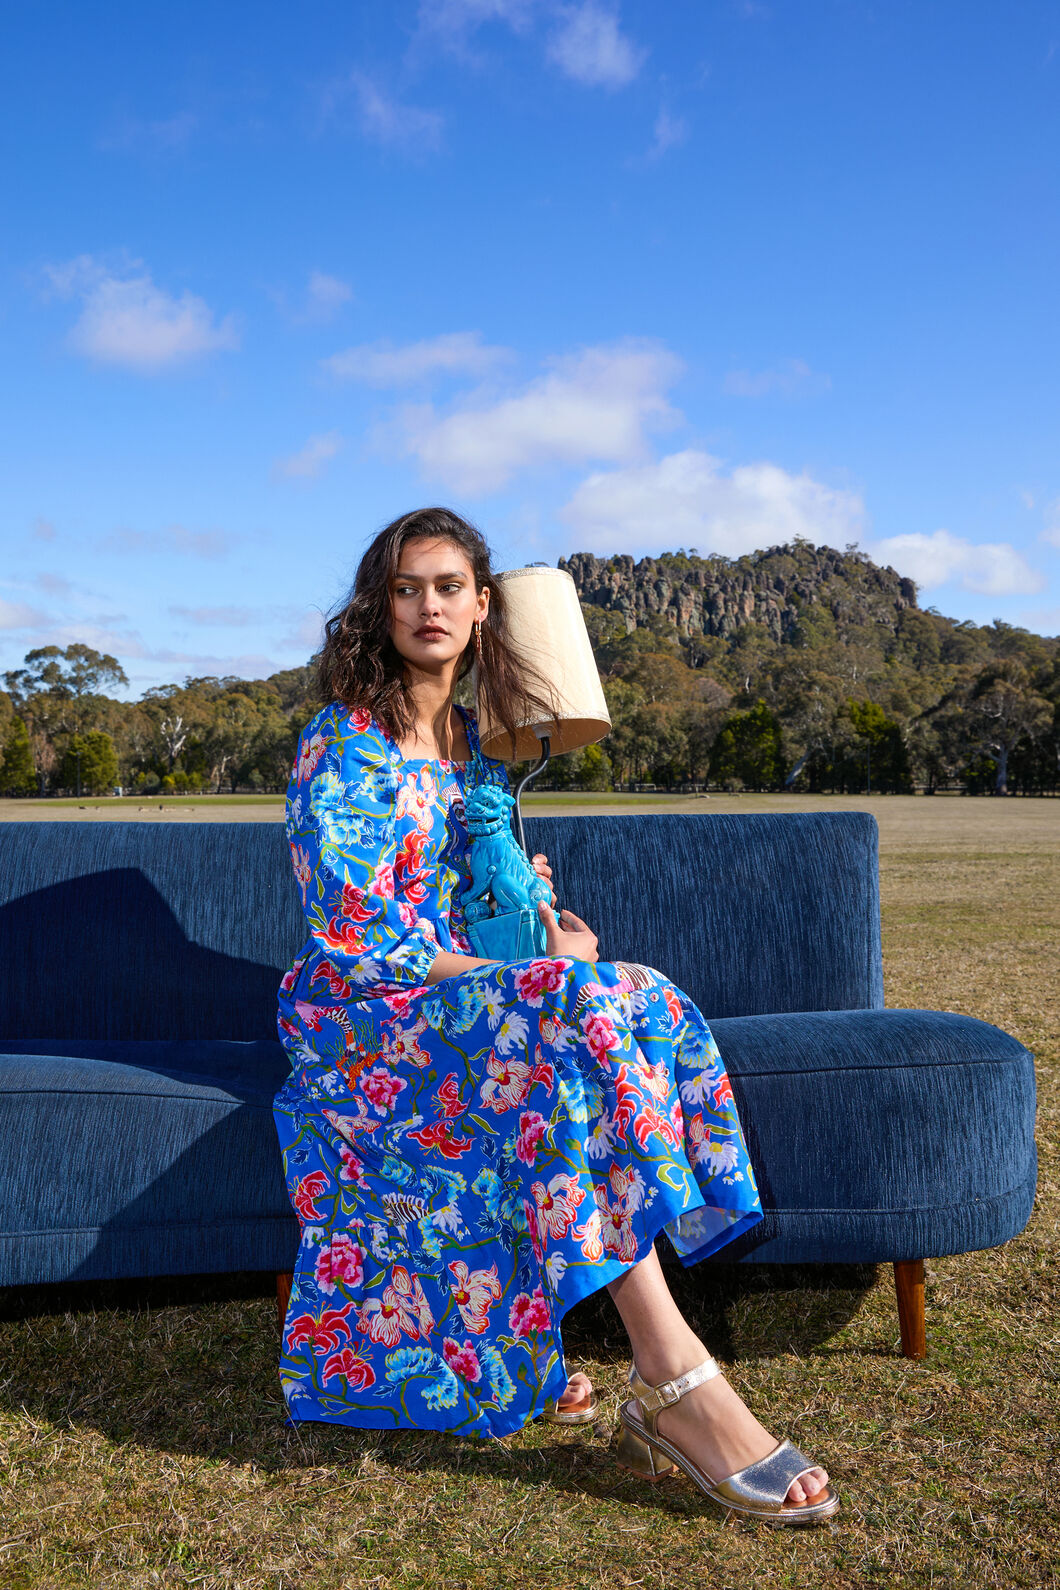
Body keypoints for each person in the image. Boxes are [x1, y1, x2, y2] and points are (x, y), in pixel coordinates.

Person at [274, 507, 838, 1525]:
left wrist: (542, 944)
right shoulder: (342, 746)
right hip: (365, 1018)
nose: (428, 605)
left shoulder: (479, 749)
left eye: (449, 586)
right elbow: (355, 934)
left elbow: (479, 904)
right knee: (567, 1008)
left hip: (463, 999)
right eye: (407, 588)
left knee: (635, 991)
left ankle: (638, 1357)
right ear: (380, 606)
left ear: (484, 605)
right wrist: (527, 981)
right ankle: (675, 1380)